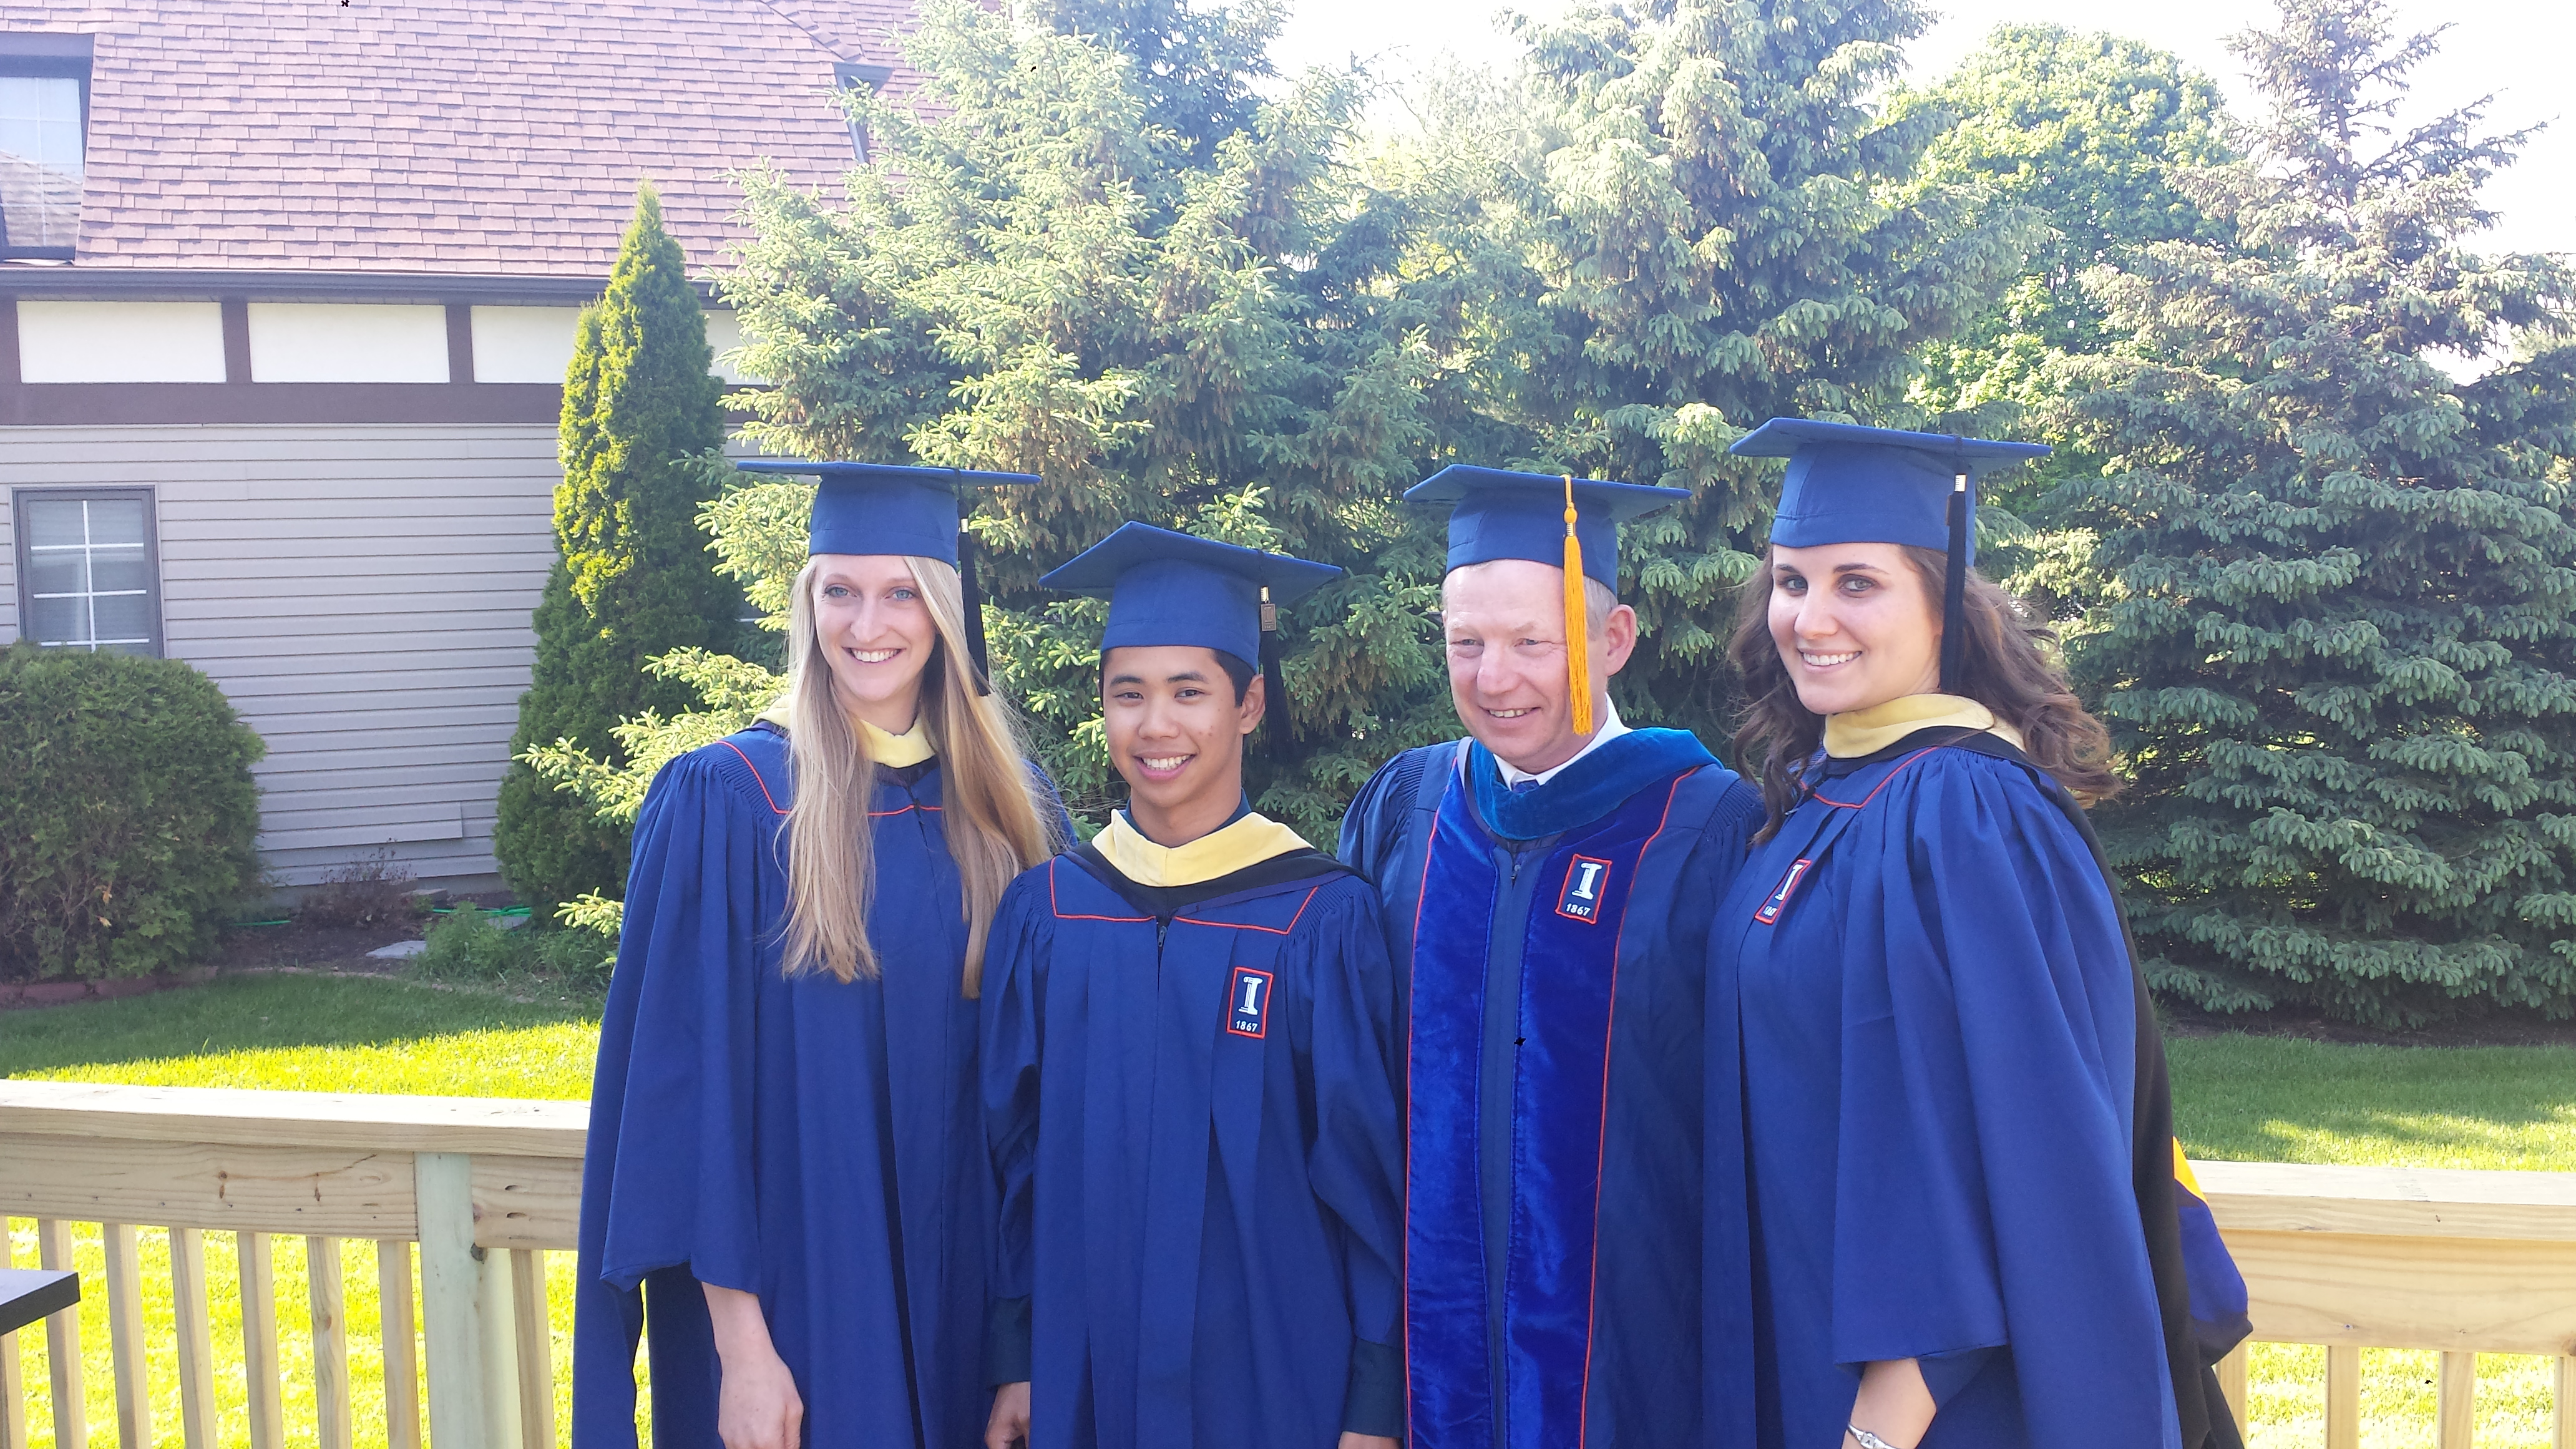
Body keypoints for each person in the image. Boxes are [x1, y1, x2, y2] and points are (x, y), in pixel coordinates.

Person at [1706, 417, 2249, 1449]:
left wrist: (1885, 1418)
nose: (1810, 616)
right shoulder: (1825, 797)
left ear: (1941, 601)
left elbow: (2016, 1133)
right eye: (1790, 582)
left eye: (1855, 582)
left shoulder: (1962, 806)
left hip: (1928, 1405)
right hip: (1810, 1343)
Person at [572, 461, 1068, 1449]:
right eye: (839, 589)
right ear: (807, 603)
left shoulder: (1008, 809)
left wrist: (1019, 1345)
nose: (867, 623)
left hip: (966, 1303)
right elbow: (685, 1097)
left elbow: (1028, 1114)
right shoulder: (731, 801)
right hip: (796, 1311)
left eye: (900, 592)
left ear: (943, 610)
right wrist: (742, 1351)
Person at [1337, 467, 1764, 1449]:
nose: (1495, 679)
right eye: (1467, 643)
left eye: (1535, 642)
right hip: (1417, 1385)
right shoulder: (1408, 812)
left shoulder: (1705, 827)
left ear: (1611, 641)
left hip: (1638, 1376)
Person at [980, 522, 1405, 1449]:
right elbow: (1009, 1159)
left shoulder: (1321, 919)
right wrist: (1015, 1353)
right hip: (1085, 1363)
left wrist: (1375, 1403)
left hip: (1273, 1377)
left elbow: (1369, 1176)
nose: (1156, 725)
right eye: (1128, 693)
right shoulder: (1051, 912)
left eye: (1189, 692)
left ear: (1250, 703)